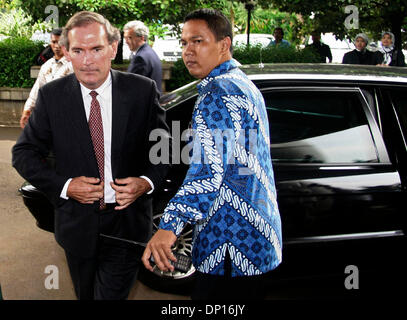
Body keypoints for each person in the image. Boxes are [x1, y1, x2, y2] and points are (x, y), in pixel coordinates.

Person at [12, 11, 170, 300]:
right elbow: (23, 153)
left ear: (113, 47)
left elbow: (163, 149)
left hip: (127, 226)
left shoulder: (141, 91)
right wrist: (65, 186)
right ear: (67, 53)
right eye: (78, 50)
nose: (87, 59)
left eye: (96, 49)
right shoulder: (52, 96)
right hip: (76, 227)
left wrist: (145, 182)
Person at [141, 8, 282, 300]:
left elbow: (208, 172)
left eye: (198, 41)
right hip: (255, 236)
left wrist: (169, 227)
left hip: (231, 243)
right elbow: (239, 165)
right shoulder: (240, 82)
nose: (188, 51)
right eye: (184, 43)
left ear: (224, 44)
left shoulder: (219, 94)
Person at [19, 28, 73, 128]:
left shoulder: (74, 66)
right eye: (54, 42)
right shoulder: (46, 66)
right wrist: (27, 110)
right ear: (50, 43)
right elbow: (37, 90)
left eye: (60, 42)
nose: (57, 46)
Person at [123, 20, 162, 93]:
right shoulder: (150, 53)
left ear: (142, 38)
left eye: (130, 37)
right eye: (125, 38)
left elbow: (131, 87)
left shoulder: (140, 58)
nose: (126, 41)